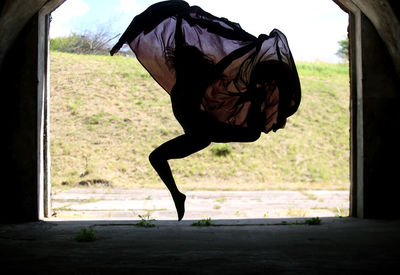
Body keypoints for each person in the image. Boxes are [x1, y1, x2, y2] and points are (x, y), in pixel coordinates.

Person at [111, 0, 301, 221]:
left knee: (253, 132)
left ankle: (177, 195)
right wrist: (181, 19)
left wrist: (188, 19)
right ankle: (177, 195)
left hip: (202, 131)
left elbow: (200, 44)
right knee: (157, 157)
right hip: (198, 134)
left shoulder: (196, 79)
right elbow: (181, 40)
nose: (175, 61)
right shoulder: (188, 77)